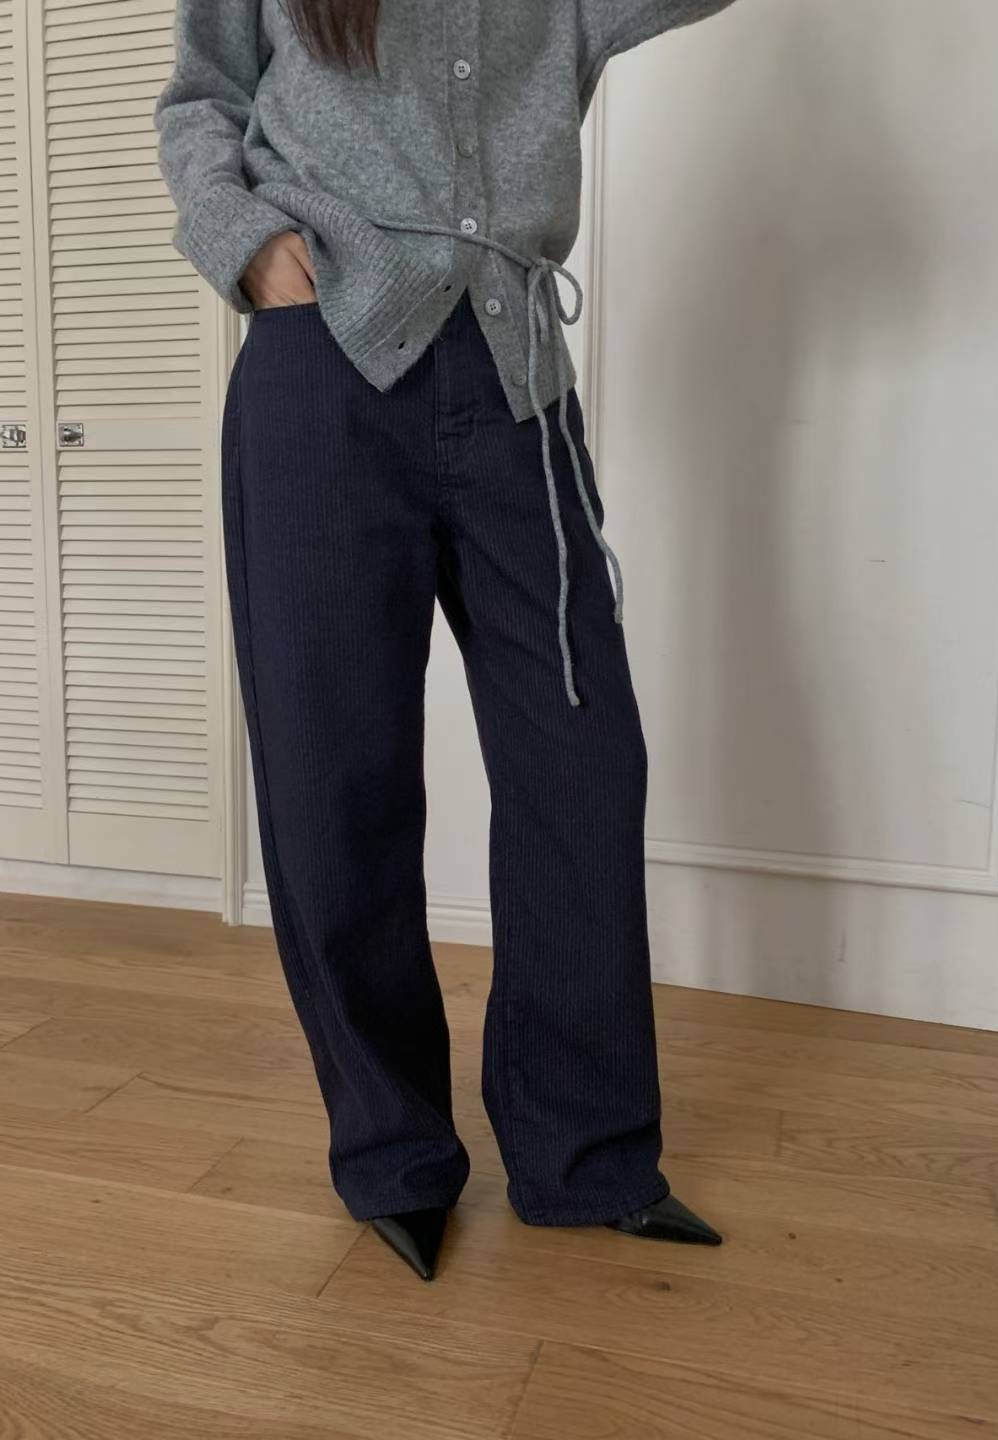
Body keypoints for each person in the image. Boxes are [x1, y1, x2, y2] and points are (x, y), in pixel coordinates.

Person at [155, 0, 738, 1282]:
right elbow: (201, 98)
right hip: (322, 371)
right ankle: (395, 1154)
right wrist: (247, 246)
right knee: (335, 780)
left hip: (517, 385)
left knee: (582, 764)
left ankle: (584, 1155)